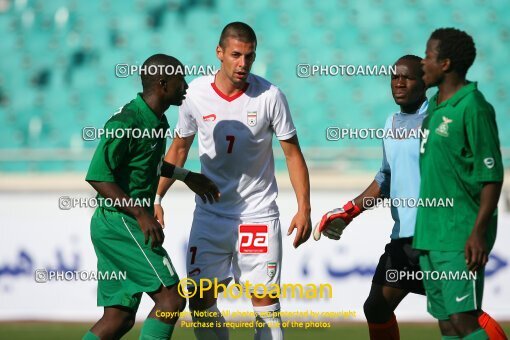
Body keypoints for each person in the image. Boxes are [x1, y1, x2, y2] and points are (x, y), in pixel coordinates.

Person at [314, 54, 506, 340]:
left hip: (440, 237)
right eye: (394, 77)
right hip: (404, 239)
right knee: (377, 306)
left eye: (407, 77)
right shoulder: (391, 123)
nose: (399, 83)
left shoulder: (443, 118)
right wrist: (350, 211)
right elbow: (385, 177)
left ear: (425, 81)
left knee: (461, 318)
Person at [155, 22, 312, 340]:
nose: (243, 64)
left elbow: (293, 154)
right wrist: (156, 199)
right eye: (237, 55)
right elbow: (179, 148)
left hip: (257, 215)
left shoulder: (270, 96)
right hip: (210, 216)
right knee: (200, 302)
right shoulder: (194, 94)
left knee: (265, 304)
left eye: (250, 57)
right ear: (220, 53)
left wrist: (304, 208)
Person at [83, 53, 219, 340]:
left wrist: (186, 176)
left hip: (121, 224)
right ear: (162, 83)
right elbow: (98, 175)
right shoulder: (127, 121)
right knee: (172, 300)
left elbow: (150, 163)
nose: (186, 86)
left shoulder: (157, 120)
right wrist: (141, 214)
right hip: (120, 223)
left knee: (118, 318)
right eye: (180, 79)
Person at [414, 28, 506, 340]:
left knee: (463, 318)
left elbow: (491, 175)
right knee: (446, 322)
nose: (421, 62)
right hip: (430, 234)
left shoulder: (474, 107)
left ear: (446, 64)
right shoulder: (433, 108)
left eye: (428, 56)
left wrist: (478, 233)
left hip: (460, 234)